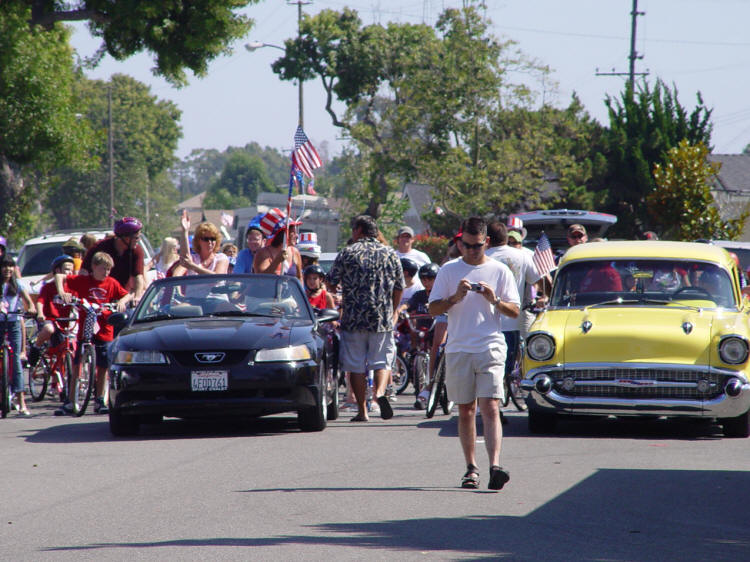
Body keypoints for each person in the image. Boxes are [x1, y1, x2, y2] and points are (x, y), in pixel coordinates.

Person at [428, 216, 520, 491]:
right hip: (458, 347)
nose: (470, 251)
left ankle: (495, 466)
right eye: (465, 246)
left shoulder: (500, 270)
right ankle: (471, 468)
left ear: (486, 243)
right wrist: (454, 298)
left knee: (490, 406)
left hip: (490, 345)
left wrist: (495, 300)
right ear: (459, 242)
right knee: (466, 409)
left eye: (476, 246)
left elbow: (515, 311)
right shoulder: (448, 270)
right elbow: (433, 309)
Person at [327, 214, 404, 422]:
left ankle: (363, 411)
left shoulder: (348, 252)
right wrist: (392, 310)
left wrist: (341, 296)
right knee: (381, 362)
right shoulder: (389, 253)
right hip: (381, 318)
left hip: (353, 318)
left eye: (354, 229)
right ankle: (379, 394)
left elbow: (330, 282)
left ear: (359, 230)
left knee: (356, 366)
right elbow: (399, 287)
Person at [55, 252, 133, 415]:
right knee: (78, 364)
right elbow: (60, 277)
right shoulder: (83, 281)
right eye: (103, 269)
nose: (106, 272)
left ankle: (99, 400)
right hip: (86, 327)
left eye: (109, 269)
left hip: (105, 328)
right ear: (94, 267)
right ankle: (70, 400)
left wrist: (121, 302)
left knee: (103, 365)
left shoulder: (111, 283)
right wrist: (62, 292)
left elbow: (127, 294)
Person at [485, 222, 545, 411]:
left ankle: (492, 402)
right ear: (505, 238)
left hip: (486, 322)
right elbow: (539, 280)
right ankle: (497, 402)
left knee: (489, 366)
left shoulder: (481, 257)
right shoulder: (521, 256)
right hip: (511, 320)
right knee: (508, 365)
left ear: (488, 239)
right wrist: (546, 296)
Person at [80, 217, 146, 301]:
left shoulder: (137, 250)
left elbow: (138, 277)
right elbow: (83, 271)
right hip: (98, 294)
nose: (138, 240)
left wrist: (137, 297)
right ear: (125, 237)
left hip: (123, 296)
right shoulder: (100, 247)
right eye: (136, 238)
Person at [28, 255, 75, 370]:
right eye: (66, 269)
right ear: (57, 270)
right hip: (51, 319)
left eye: (71, 270)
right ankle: (36, 346)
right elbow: (40, 302)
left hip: (66, 321)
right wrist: (40, 314)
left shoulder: (73, 287)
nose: (70, 272)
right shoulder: (48, 287)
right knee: (49, 329)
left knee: (66, 350)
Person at [1, 256, 34, 416]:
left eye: (10, 266)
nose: (7, 269)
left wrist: (32, 309)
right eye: (4, 266)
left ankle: (22, 402)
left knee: (16, 362)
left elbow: (28, 301)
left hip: (13, 323)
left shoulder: (18, 284)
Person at [172, 209, 230, 277]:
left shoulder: (221, 258)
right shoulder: (193, 259)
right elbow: (184, 261)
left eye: (213, 239)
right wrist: (185, 231)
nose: (210, 242)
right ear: (198, 241)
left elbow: (217, 277)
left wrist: (192, 266)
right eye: (206, 239)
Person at [253, 209, 302, 280]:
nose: (297, 236)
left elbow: (300, 278)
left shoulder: (295, 252)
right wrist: (277, 261)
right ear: (283, 234)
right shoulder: (263, 254)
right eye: (293, 232)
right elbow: (260, 279)